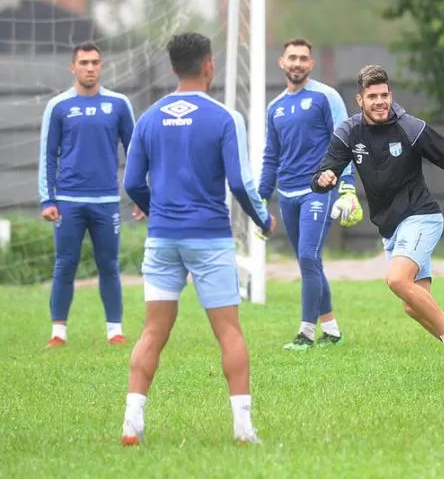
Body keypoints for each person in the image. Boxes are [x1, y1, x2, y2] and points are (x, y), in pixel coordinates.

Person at [312, 64, 444, 382]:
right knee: (414, 306)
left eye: (384, 95)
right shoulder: (349, 132)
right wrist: (323, 180)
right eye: (372, 96)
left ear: (390, 95)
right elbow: (326, 170)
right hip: (391, 228)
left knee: (397, 280)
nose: (380, 101)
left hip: (422, 217)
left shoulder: (409, 127)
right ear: (360, 100)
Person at [121, 32, 276, 446]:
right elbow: (241, 183)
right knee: (229, 332)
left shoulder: (149, 117)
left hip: (162, 239)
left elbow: (133, 182)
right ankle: (243, 429)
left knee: (153, 332)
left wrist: (155, 211)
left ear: (173, 68)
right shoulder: (225, 118)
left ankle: (131, 424)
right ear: (209, 65)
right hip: (209, 240)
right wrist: (263, 217)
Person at [259, 39, 361, 350]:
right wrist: (260, 201)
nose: (298, 63)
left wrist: (347, 187)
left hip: (319, 189)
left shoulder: (325, 96)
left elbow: (344, 140)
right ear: (282, 62)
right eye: (292, 57)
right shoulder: (274, 107)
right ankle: (331, 330)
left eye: (304, 58)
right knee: (310, 261)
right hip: (286, 195)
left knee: (307, 257)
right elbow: (271, 156)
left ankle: (305, 333)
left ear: (311, 64)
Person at [39, 41, 136, 348]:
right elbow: (48, 155)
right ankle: (58, 332)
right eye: (84, 63)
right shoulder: (58, 106)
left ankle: (114, 330)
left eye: (95, 62)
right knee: (65, 263)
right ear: (73, 67)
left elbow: (135, 153)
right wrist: (48, 199)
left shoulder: (119, 104)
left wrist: (139, 196)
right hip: (68, 201)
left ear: (101, 66)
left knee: (108, 264)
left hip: (107, 200)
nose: (90, 68)